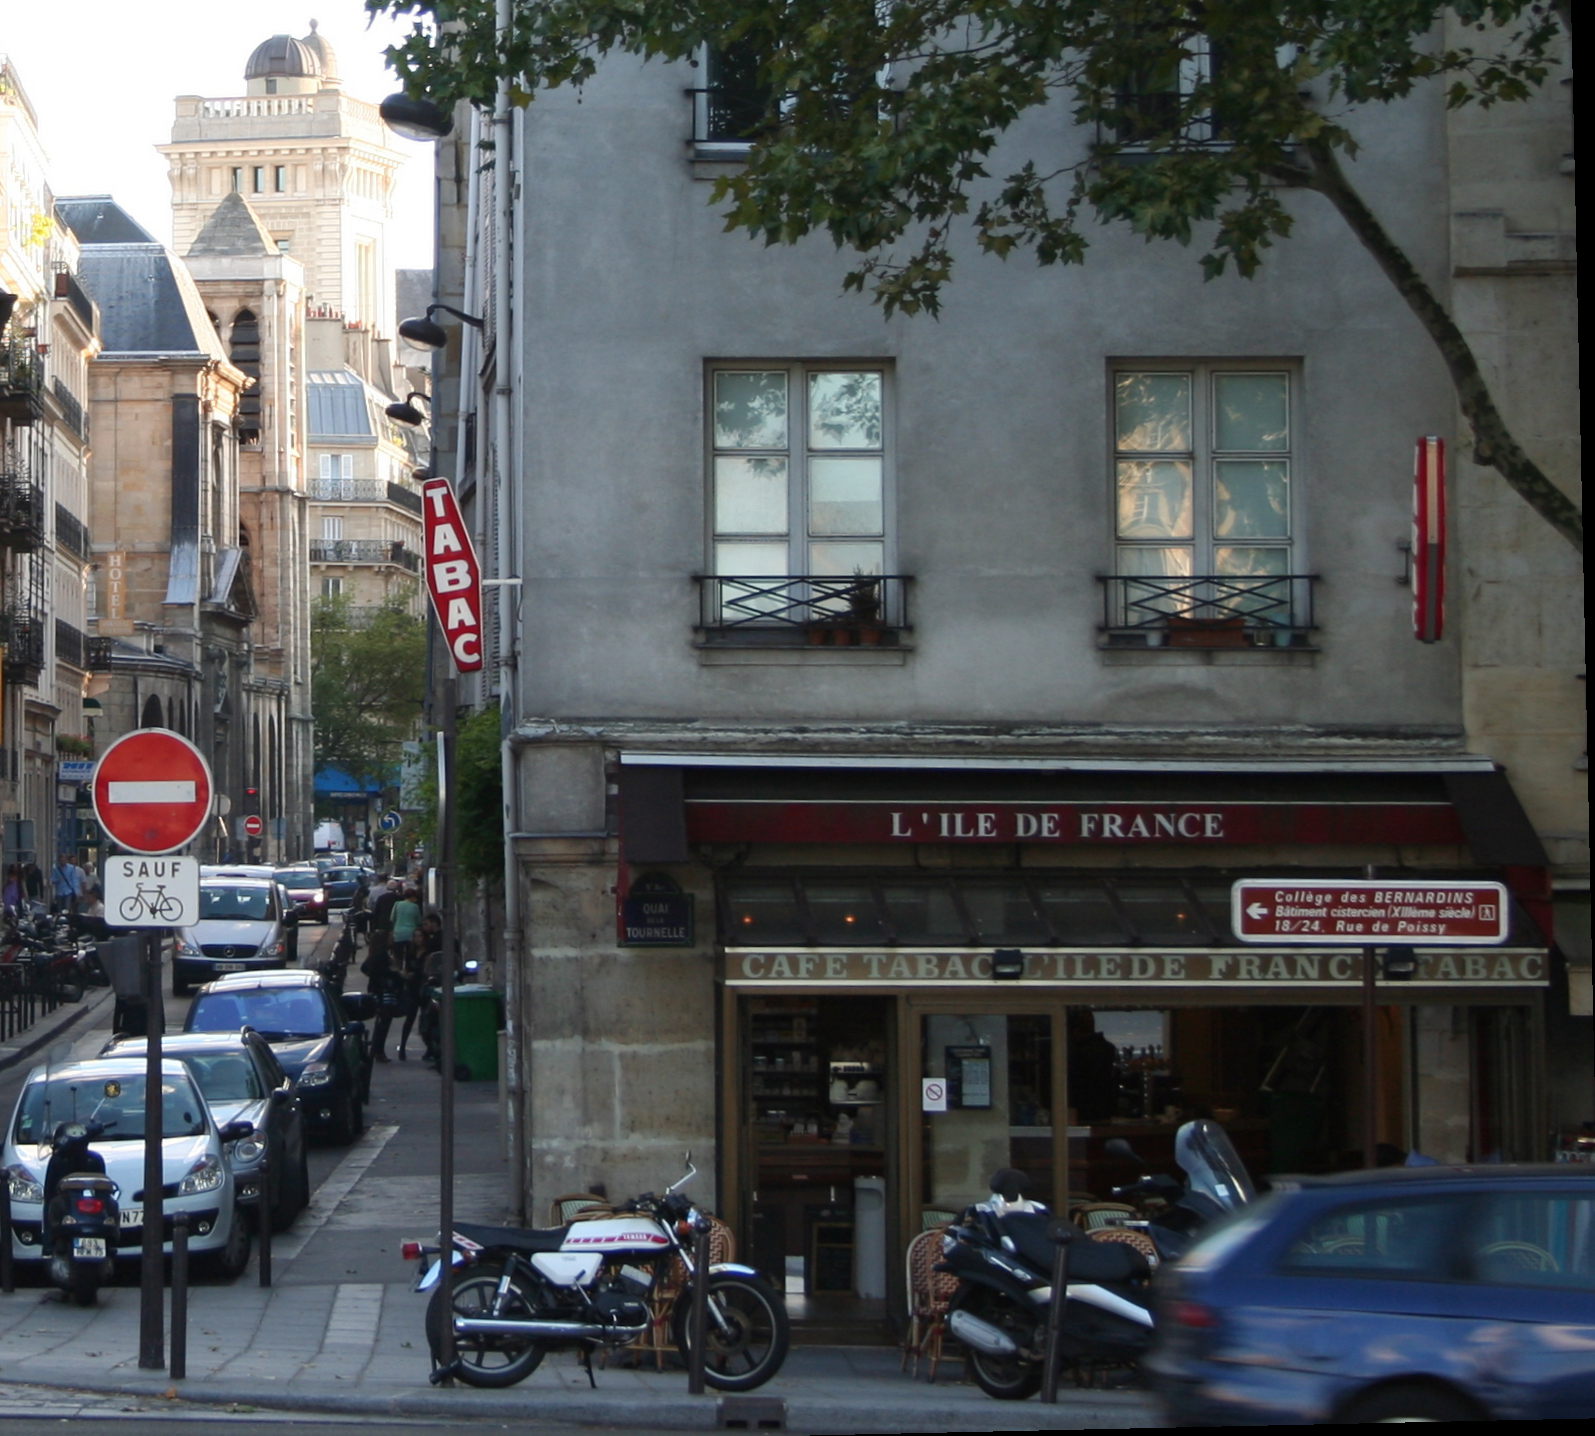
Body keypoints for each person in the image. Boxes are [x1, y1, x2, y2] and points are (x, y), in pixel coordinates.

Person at [399, 911, 443, 1060]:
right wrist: (405, 974)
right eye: (415, 936)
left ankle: (430, 1048)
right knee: (410, 1017)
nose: (417, 939)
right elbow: (407, 966)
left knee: (426, 1019)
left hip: (423, 987)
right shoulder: (411, 951)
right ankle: (403, 1047)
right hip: (412, 987)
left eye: (420, 936)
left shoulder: (429, 950)